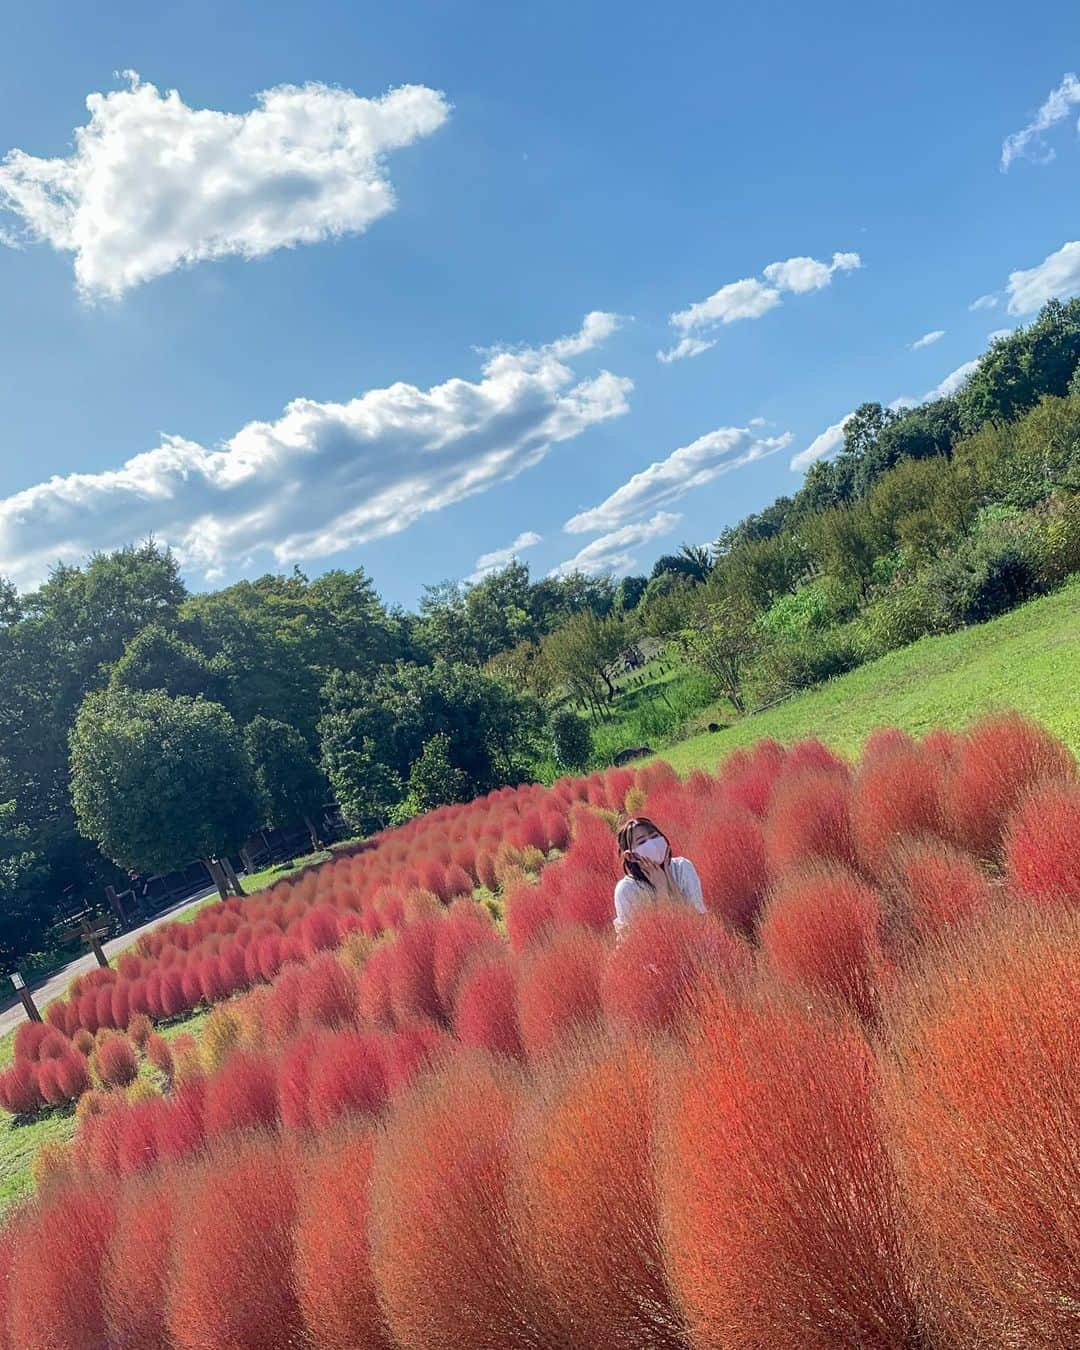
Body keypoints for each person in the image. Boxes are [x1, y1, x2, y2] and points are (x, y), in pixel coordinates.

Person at [613, 816, 706, 937]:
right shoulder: (626, 890)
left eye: (654, 836)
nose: (652, 843)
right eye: (642, 842)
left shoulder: (682, 867)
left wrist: (668, 877)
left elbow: (697, 922)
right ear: (630, 856)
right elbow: (651, 940)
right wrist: (661, 888)